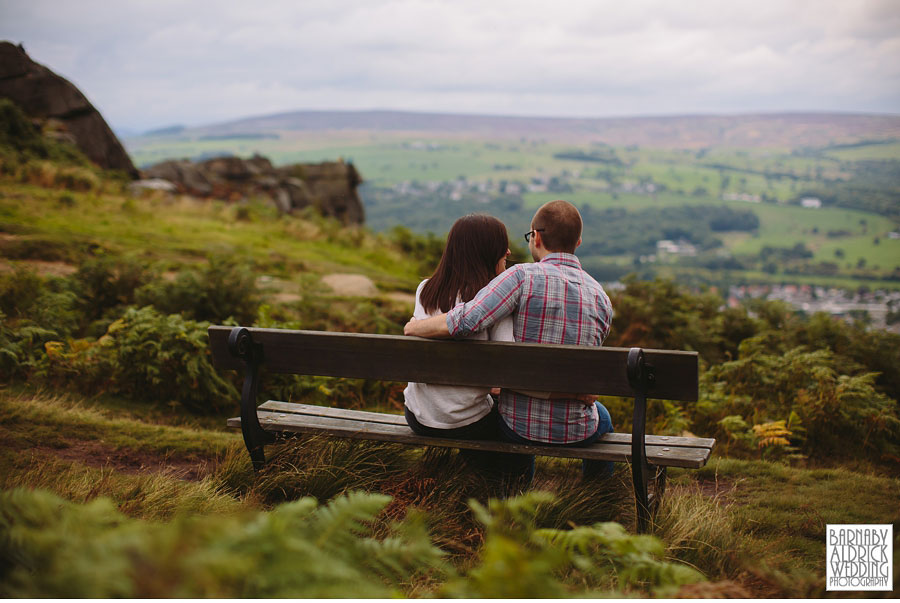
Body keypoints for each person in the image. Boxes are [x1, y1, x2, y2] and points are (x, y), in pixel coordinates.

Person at [403, 200, 614, 486]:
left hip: (433, 416)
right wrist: (575, 394)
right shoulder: (601, 296)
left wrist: (414, 328)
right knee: (602, 416)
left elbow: (468, 322)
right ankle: (600, 496)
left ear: (536, 237)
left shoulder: (518, 278)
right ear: (578, 241)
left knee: (508, 415)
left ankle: (512, 497)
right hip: (574, 427)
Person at [403, 213, 513, 452]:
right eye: (502, 245)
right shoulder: (495, 301)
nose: (508, 252)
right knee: (513, 427)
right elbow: (506, 372)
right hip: (468, 423)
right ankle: (515, 486)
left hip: (418, 417)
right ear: (487, 251)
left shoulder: (425, 290)